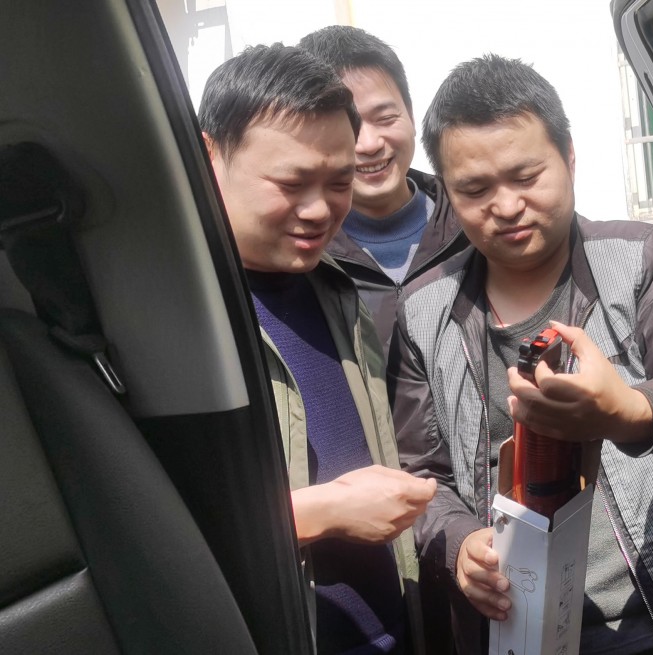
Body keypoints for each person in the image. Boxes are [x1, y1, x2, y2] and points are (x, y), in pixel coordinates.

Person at [387, 55, 653, 655]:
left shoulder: (643, 259)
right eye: (475, 189)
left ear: (570, 159)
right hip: (514, 629)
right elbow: (422, 472)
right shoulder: (423, 310)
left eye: (527, 176)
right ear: (446, 193)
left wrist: (628, 412)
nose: (506, 205)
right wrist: (459, 545)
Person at [199, 43, 435, 654]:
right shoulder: (175, 317)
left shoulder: (337, 290)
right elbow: (150, 528)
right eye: (291, 183)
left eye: (339, 183)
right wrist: (321, 512)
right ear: (208, 157)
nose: (319, 210)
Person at [298, 26, 468, 352]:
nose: (370, 144)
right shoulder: (305, 253)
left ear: (411, 115)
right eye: (350, 126)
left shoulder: (472, 224)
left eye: (386, 117)